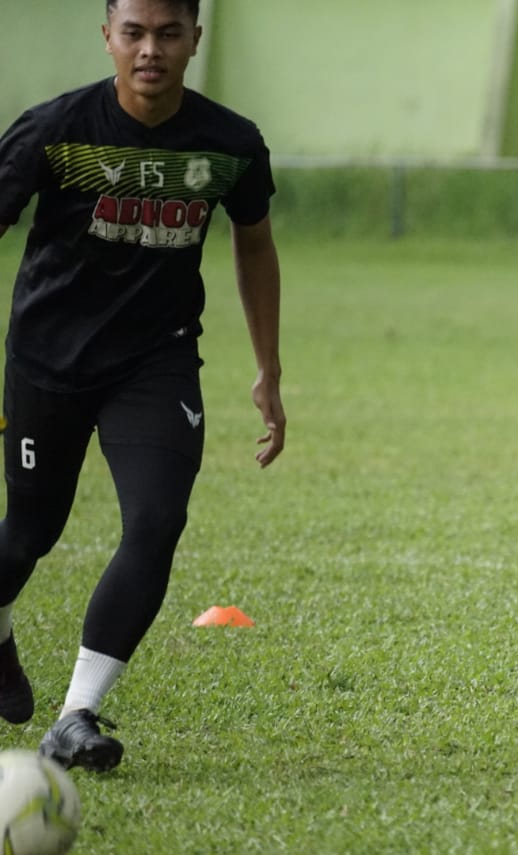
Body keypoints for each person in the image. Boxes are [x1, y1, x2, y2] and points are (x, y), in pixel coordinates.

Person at [0, 0, 285, 770]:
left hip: (155, 362)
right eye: (134, 33)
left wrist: (269, 368)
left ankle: (75, 714)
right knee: (28, 534)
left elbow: (254, 245)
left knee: (156, 520)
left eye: (167, 33)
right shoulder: (55, 131)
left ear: (195, 38)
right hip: (46, 361)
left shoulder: (229, 143)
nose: (150, 49)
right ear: (108, 38)